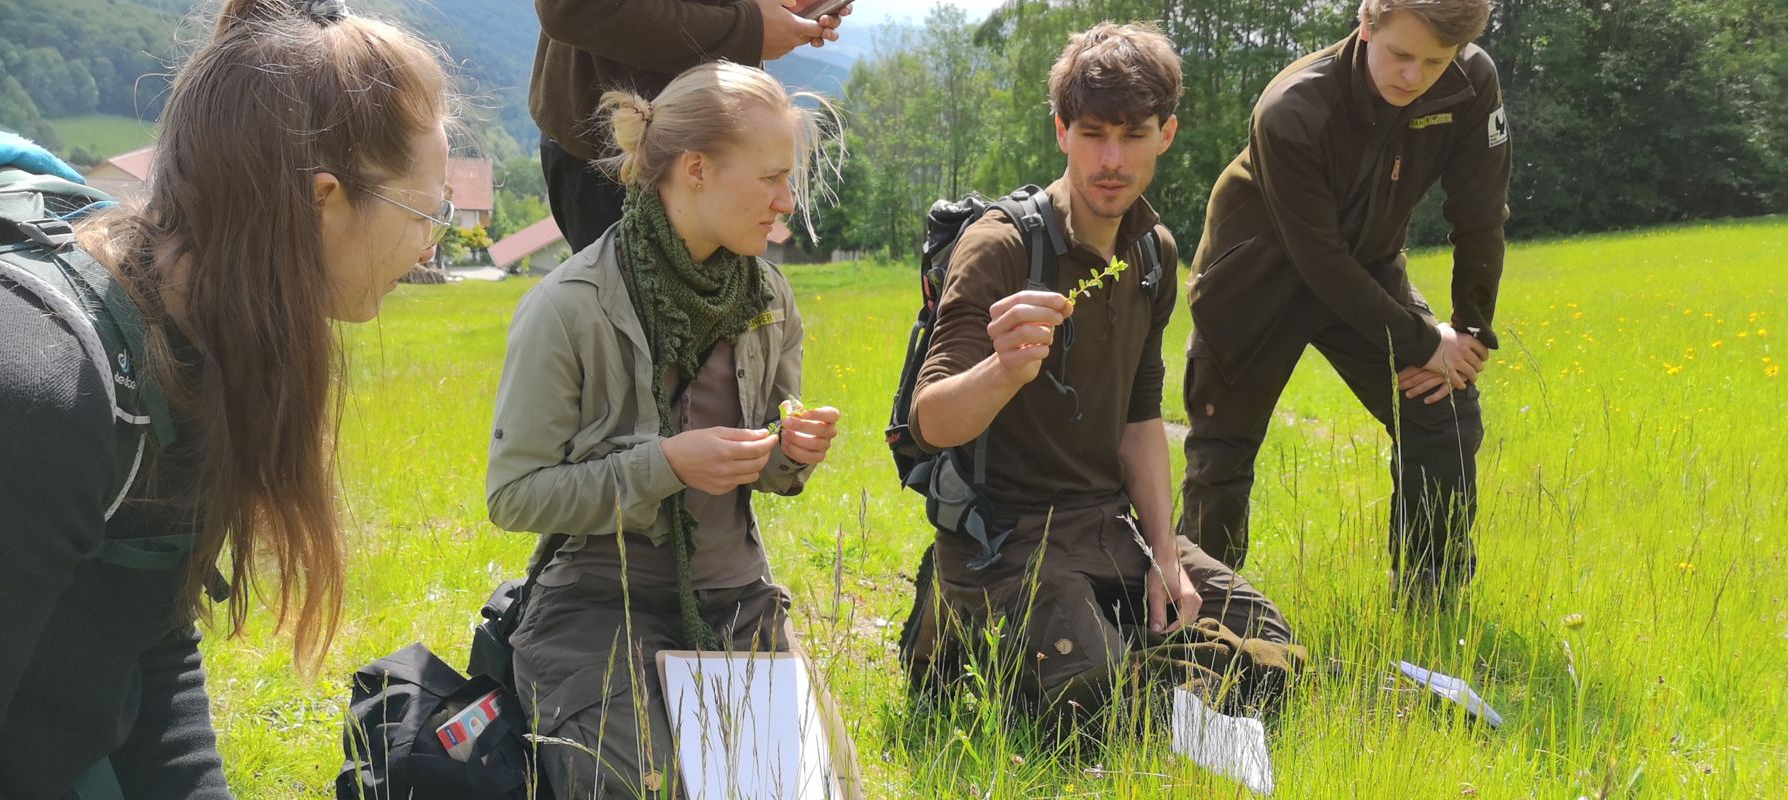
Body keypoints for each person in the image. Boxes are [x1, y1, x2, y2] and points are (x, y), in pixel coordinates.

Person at [0, 0, 452, 797]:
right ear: (322, 198)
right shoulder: (41, 393)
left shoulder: (202, 343)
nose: (431, 243)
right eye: (424, 212)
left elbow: (145, 635)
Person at [902, 22, 1305, 721]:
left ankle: (1119, 649)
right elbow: (930, 422)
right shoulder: (1000, 249)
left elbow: (1141, 419)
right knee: (1089, 706)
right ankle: (957, 606)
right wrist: (1001, 371)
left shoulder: (1152, 254)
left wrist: (1167, 558)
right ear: (1062, 131)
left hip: (1107, 527)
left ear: (1166, 134)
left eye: (1133, 134)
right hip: (1003, 535)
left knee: (1276, 655)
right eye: (1092, 134)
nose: (1111, 159)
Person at [487, 61, 852, 798]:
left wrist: (791, 452)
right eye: (771, 178)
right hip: (597, 606)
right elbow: (514, 497)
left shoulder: (769, 297)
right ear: (694, 170)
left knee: (809, 791)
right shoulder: (569, 307)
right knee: (640, 787)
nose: (786, 203)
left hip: (735, 596)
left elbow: (775, 462)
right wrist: (665, 467)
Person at [1179, 0, 1510, 607]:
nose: (1413, 77)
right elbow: (1318, 260)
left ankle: (1430, 601)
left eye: (1434, 62)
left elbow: (1480, 212)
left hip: (1367, 265)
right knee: (1222, 455)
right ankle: (1201, 618)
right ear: (1366, 24)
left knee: (1444, 412)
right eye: (1400, 55)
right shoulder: (1293, 109)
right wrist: (1420, 340)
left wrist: (1467, 332)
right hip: (1256, 278)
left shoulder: (1469, 82)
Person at [533, 0, 851, 252]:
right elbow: (572, 9)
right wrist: (747, 30)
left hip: (724, 154)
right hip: (618, 162)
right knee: (628, 329)